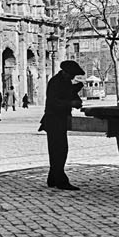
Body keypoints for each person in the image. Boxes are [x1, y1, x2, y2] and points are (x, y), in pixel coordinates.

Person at [40, 60, 85, 190]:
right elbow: (54, 102)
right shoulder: (55, 82)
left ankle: (53, 177)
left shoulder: (64, 82)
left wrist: (76, 96)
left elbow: (71, 94)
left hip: (60, 119)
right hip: (53, 119)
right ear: (65, 72)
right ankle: (60, 180)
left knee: (58, 150)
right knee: (59, 150)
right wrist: (71, 103)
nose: (72, 77)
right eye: (71, 75)